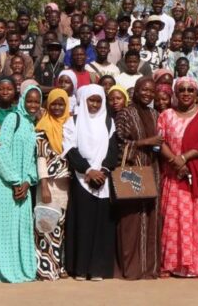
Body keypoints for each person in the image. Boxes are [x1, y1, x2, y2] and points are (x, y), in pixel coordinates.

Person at [157, 77, 198, 277]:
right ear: (175, 92)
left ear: (196, 92)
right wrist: (175, 161)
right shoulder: (166, 115)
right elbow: (160, 142)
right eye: (181, 89)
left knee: (195, 220)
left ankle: (195, 265)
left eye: (190, 90)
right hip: (172, 176)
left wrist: (184, 158)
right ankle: (172, 264)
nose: (186, 93)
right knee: (172, 221)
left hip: (194, 176)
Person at [64, 85, 119, 281]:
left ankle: (97, 269)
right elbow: (70, 149)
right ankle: (79, 269)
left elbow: (113, 149)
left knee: (101, 225)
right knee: (83, 224)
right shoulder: (73, 121)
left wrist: (102, 171)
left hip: (103, 180)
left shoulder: (109, 122)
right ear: (84, 100)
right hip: (82, 179)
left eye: (98, 101)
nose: (94, 104)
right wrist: (88, 170)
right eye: (91, 100)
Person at [0, 86, 41, 283]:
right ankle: (4, 270)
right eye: (30, 101)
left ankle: (21, 268)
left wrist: (27, 181)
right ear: (22, 101)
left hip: (23, 185)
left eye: (36, 101)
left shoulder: (31, 124)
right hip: (4, 182)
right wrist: (15, 180)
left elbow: (32, 158)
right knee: (4, 228)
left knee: (21, 227)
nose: (33, 105)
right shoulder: (13, 118)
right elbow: (0, 150)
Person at [114, 77, 162, 280]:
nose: (148, 94)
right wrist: (145, 142)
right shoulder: (125, 113)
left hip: (153, 169)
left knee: (151, 217)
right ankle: (131, 267)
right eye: (144, 90)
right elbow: (119, 142)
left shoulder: (155, 114)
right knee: (131, 219)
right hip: (133, 171)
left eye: (151, 91)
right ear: (136, 90)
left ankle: (148, 268)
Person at [34, 89, 72, 281]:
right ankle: (45, 268)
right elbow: (41, 158)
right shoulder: (43, 126)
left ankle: (60, 265)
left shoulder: (70, 126)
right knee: (45, 225)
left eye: (61, 104)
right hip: (48, 185)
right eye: (54, 104)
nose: (57, 107)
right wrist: (44, 186)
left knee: (61, 227)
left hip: (65, 186)